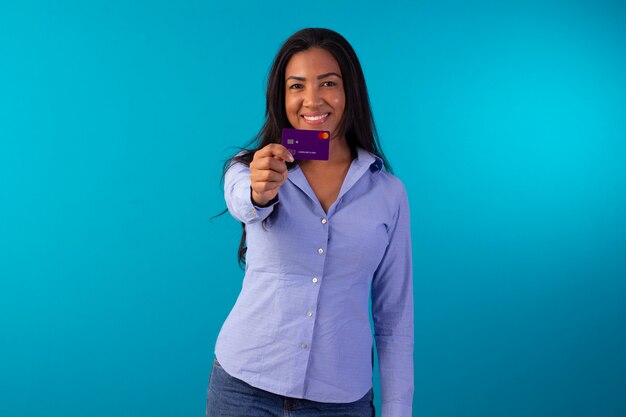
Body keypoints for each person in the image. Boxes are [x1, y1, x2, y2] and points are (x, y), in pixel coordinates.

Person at [207, 28, 413, 417]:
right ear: (281, 98)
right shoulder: (249, 170)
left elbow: (395, 317)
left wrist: (398, 409)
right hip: (242, 389)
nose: (312, 99)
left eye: (328, 83)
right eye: (296, 85)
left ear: (350, 91)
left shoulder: (389, 193)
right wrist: (260, 191)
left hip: (340, 401)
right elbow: (244, 203)